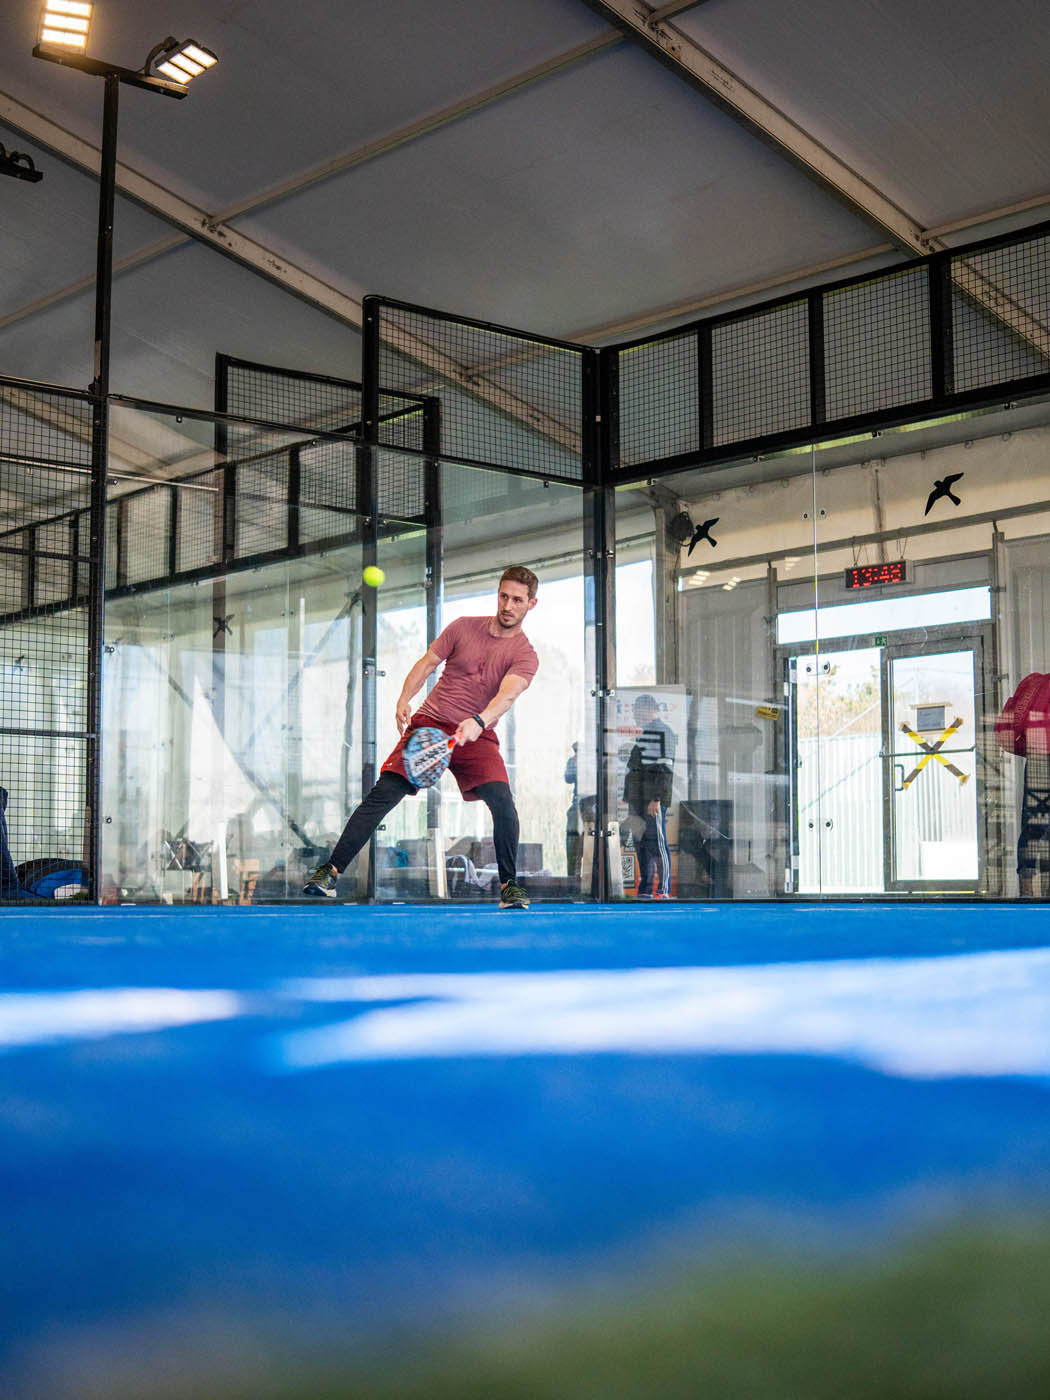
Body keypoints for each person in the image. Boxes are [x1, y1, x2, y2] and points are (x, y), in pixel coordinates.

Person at [303, 565, 540, 909]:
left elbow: (508, 695)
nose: (507, 605)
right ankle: (329, 872)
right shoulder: (463, 627)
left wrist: (479, 721)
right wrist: (404, 697)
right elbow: (428, 663)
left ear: (531, 604)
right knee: (383, 793)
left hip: (477, 734)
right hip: (430, 726)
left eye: (517, 600)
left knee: (503, 804)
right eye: (504, 596)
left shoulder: (525, 654)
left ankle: (509, 887)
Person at [623, 694, 676, 899]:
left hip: (651, 801)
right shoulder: (646, 734)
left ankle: (664, 889)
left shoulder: (662, 732)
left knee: (657, 843)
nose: (635, 715)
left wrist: (656, 799)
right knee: (642, 844)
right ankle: (645, 890)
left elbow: (665, 768)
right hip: (638, 801)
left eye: (637, 711)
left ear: (649, 710)